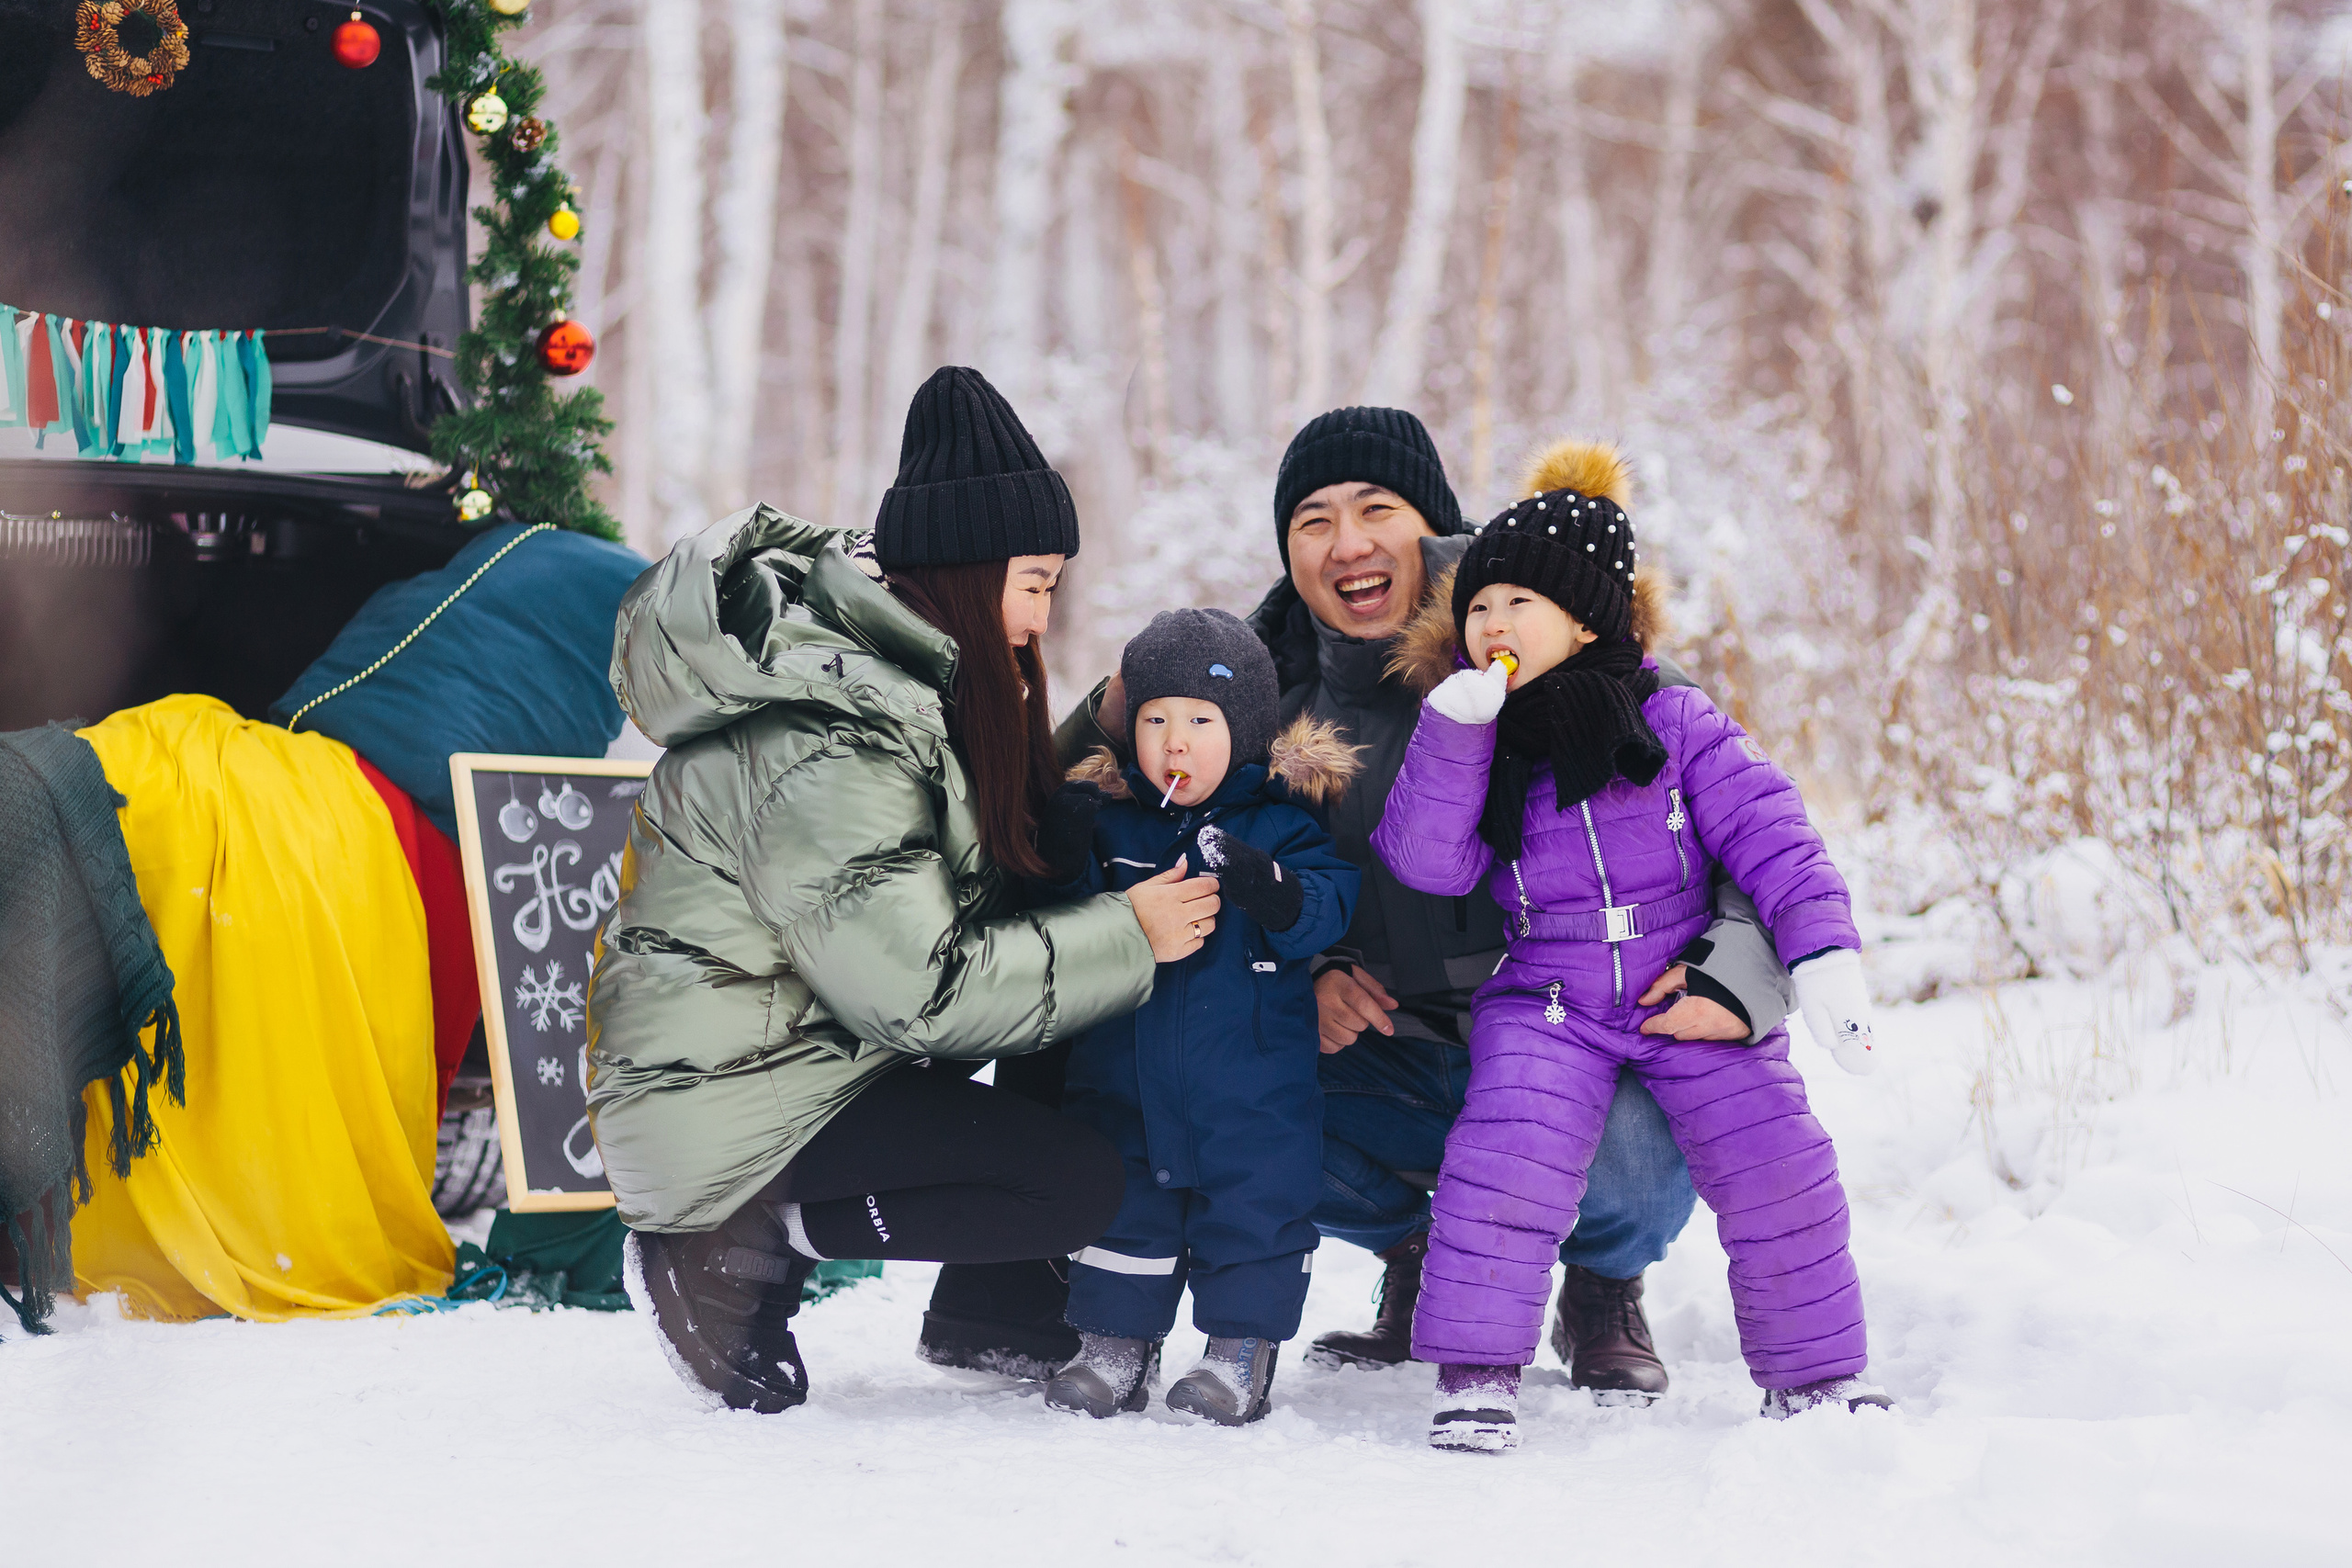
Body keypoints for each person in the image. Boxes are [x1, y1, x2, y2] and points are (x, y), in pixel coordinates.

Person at [1031, 406, 1795, 1399]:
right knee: (1213, 1103)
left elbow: (1763, 851)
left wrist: (1730, 981)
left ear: (1435, 531)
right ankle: (1426, 1257)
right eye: (1311, 520)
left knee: (1637, 1166)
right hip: (1377, 1055)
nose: (1347, 543)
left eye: (1375, 508)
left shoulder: (1564, 652)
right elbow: (1073, 812)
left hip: (1575, 1030)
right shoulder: (1254, 694)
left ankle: (1603, 1279)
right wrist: (1295, 976)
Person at [586, 367, 1223, 1414]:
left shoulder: (884, 681)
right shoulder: (826, 741)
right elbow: (919, 990)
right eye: (1036, 584)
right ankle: (729, 1243)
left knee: (1066, 980)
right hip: (723, 1103)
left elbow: (970, 844)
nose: (1039, 620)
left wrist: (1100, 734)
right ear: (972, 575)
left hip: (796, 1057)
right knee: (1070, 1180)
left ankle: (995, 1308)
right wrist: (1130, 935)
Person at [1371, 438, 1891, 1452]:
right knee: (1504, 1157)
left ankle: (1817, 1377)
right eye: (1477, 606)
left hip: (1680, 983)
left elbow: (1775, 839)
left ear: (1586, 617)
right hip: (1547, 994)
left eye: (1517, 603)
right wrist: (1451, 737)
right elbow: (1427, 864)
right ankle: (1477, 1373)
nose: (1490, 624)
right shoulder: (1484, 736)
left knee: (1778, 1159)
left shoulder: (1678, 720)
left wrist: (1822, 960)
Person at [1037, 609, 1362, 1425]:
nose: (1173, 743)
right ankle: (1114, 1343)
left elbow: (1329, 906)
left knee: (1255, 1211)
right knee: (1125, 1208)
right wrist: (1066, 848)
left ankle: (1237, 1352)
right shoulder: (1115, 825)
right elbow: (1058, 918)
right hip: (1125, 1080)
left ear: (1245, 727)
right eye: (1154, 720)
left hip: (1253, 1093)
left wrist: (1275, 889)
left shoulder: (1284, 822)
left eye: (1199, 721)